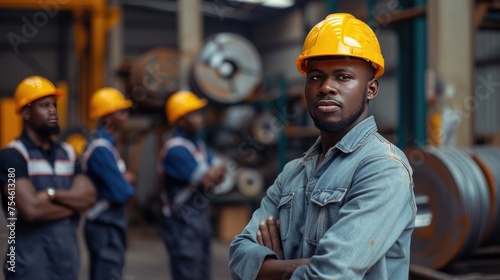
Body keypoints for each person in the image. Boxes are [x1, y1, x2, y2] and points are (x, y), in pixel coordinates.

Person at [229, 13, 416, 280]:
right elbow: (238, 255)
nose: (326, 87)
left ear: (371, 89)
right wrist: (295, 268)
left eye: (343, 77)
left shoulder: (383, 169)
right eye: (316, 77)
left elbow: (330, 275)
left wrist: (269, 270)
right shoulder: (292, 173)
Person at [0, 75, 96, 280]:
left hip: (65, 263)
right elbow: (31, 210)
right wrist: (73, 205)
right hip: (28, 265)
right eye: (44, 105)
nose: (53, 111)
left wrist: (50, 194)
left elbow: (89, 198)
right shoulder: (12, 156)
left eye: (54, 105)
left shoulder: (68, 153)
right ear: (26, 112)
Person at [157, 90, 226, 280]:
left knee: (203, 272)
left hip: (200, 219)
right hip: (182, 222)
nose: (200, 118)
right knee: (188, 273)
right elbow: (207, 181)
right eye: (193, 114)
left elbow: (221, 170)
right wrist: (212, 174)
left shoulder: (199, 145)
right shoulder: (175, 149)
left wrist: (214, 174)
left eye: (199, 113)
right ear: (180, 120)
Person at [82, 87, 136, 280]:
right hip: (104, 223)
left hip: (109, 222)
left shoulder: (106, 145)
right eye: (121, 111)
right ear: (107, 118)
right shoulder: (100, 149)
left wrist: (122, 180)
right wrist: (127, 181)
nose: (125, 116)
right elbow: (121, 192)